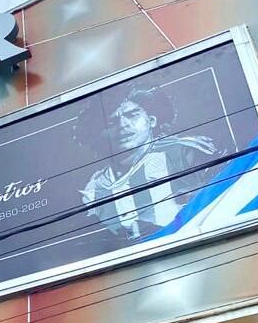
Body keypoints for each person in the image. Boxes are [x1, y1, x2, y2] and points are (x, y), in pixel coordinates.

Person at [80, 88, 222, 240]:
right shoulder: (94, 189)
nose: (122, 125)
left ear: (152, 120)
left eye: (132, 115)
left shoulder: (183, 153)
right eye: (112, 122)